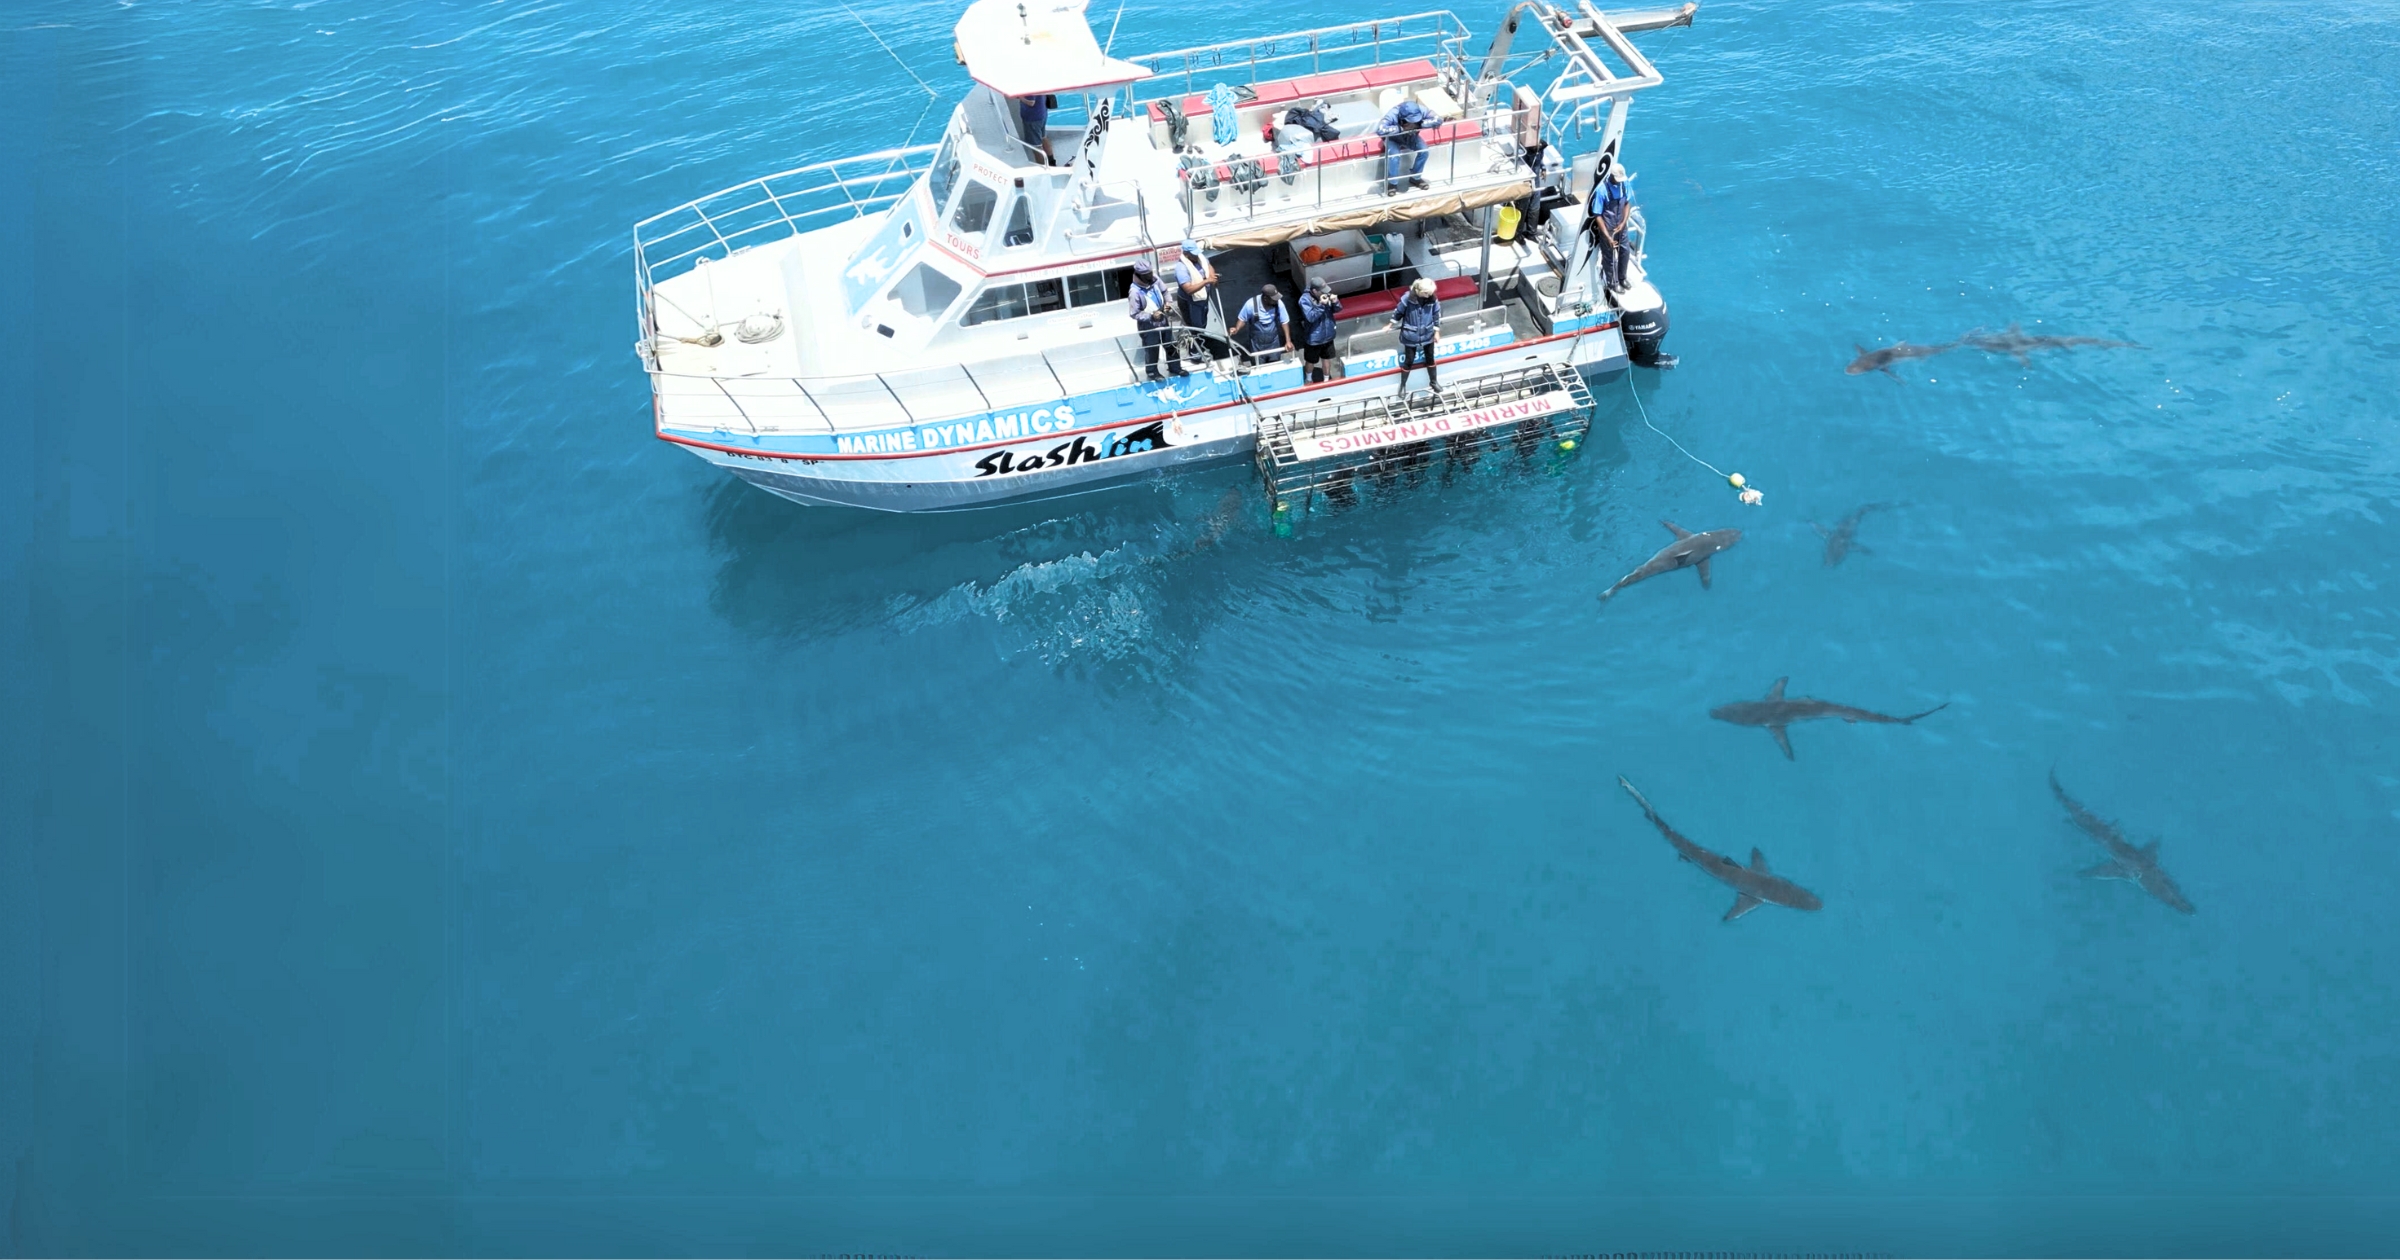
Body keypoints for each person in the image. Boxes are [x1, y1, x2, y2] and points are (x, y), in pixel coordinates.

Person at [1127, 258, 1181, 381]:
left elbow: (1165, 291)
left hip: (1163, 320)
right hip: (1149, 326)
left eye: (1151, 272)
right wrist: (1150, 316)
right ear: (1140, 275)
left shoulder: (1155, 279)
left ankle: (1175, 367)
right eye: (1147, 274)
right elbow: (1134, 313)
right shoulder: (1135, 292)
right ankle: (1152, 372)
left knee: (1171, 344)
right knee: (1152, 349)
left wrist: (1168, 302)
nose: (1151, 275)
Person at [1390, 277, 1441, 396]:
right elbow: (1398, 312)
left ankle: (1434, 382)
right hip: (1411, 335)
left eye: (1430, 293)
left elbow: (1436, 315)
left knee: (1430, 357)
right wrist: (1390, 324)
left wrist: (1436, 332)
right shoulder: (1408, 298)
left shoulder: (1432, 299)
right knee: (1409, 360)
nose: (1428, 295)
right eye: (1426, 293)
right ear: (1419, 290)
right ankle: (1403, 386)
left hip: (1427, 333)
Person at [1376, 98, 1438, 196]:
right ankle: (1392, 184)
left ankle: (1415, 177)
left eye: (1415, 121)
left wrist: (1419, 124)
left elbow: (1438, 119)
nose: (1413, 124)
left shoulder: (1421, 110)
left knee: (1424, 151)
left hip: (1411, 137)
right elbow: (1380, 129)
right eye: (1410, 122)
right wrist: (1401, 129)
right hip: (1393, 139)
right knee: (1394, 156)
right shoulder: (1393, 114)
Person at [1590, 164, 1633, 293]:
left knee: (1625, 251)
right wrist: (1608, 237)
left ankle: (1622, 278)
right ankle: (1612, 282)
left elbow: (1626, 204)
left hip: (1621, 226)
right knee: (1609, 256)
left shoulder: (1624, 185)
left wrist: (1623, 222)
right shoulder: (1601, 190)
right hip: (1607, 227)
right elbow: (1597, 215)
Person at [1230, 284, 1296, 365]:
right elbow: (1242, 319)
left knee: (1274, 366)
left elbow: (1284, 322)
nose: (1276, 300)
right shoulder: (1251, 304)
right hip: (1256, 346)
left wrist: (1288, 341)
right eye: (1273, 299)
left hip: (1273, 344)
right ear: (1265, 298)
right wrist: (1236, 328)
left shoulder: (1279, 304)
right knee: (1259, 368)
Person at [1297, 276, 1343, 383]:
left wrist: (1335, 301)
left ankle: (1327, 380)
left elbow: (1338, 309)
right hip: (1314, 337)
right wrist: (1321, 304)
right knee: (1310, 360)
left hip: (1328, 336)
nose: (1324, 293)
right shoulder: (1304, 300)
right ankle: (1308, 379)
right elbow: (1311, 317)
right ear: (1314, 291)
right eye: (1322, 291)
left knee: (1326, 358)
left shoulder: (1325, 295)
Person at [1018, 94, 1055, 164]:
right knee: (1043, 137)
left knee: (1036, 146)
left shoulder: (1028, 85)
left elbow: (1031, 102)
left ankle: (1043, 168)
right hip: (1042, 114)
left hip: (1032, 119)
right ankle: (1052, 162)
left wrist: (1019, 97)